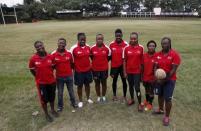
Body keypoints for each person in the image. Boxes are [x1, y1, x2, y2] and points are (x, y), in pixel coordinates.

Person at [153, 37, 181, 126]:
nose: (164, 45)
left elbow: (173, 70)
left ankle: (167, 116)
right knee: (160, 95)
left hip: (170, 80)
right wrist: (156, 75)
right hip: (159, 79)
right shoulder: (158, 54)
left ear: (169, 44)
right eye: (162, 43)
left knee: (167, 98)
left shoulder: (174, 55)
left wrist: (164, 80)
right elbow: (155, 66)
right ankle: (160, 109)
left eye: (165, 43)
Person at [29, 41, 58, 122]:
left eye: (41, 45)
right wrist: (38, 76)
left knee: (52, 97)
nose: (40, 47)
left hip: (51, 81)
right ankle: (46, 114)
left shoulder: (50, 56)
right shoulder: (33, 59)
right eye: (37, 47)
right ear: (35, 48)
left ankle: (52, 110)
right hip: (41, 83)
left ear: (43, 45)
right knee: (44, 100)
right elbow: (31, 70)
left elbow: (53, 67)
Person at [51, 38, 78, 112]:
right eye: (60, 43)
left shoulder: (69, 53)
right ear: (57, 44)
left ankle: (74, 103)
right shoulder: (53, 54)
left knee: (71, 91)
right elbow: (52, 67)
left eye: (63, 43)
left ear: (65, 44)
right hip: (59, 77)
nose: (61, 44)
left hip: (69, 76)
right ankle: (60, 106)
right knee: (60, 93)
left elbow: (72, 64)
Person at [70, 33, 93, 108]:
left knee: (87, 85)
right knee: (79, 86)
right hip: (78, 71)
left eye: (84, 39)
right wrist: (75, 69)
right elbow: (71, 61)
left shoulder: (88, 47)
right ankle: (80, 101)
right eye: (81, 39)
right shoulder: (73, 48)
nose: (83, 41)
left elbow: (90, 57)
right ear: (78, 39)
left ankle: (88, 98)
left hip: (88, 70)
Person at [123, 32, 144, 111]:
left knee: (137, 88)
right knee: (130, 87)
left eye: (134, 38)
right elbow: (124, 61)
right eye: (131, 38)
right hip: (129, 72)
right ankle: (132, 99)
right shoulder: (126, 48)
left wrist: (142, 74)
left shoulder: (141, 48)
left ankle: (139, 103)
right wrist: (125, 72)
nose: (133, 40)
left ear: (137, 39)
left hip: (137, 72)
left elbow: (142, 62)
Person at [91, 34, 111, 103]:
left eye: (101, 39)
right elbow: (92, 57)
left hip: (104, 69)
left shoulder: (107, 48)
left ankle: (104, 95)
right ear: (96, 40)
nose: (99, 40)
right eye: (98, 39)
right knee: (97, 83)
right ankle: (99, 96)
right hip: (95, 70)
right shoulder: (92, 48)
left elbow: (108, 57)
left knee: (104, 83)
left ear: (103, 40)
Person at [109, 29, 128, 102]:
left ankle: (125, 96)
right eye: (117, 36)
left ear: (122, 35)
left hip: (123, 67)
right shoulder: (111, 44)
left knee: (124, 81)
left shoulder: (126, 44)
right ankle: (114, 95)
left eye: (119, 36)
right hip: (114, 67)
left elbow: (127, 57)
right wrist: (111, 70)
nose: (118, 37)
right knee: (114, 81)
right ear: (115, 36)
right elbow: (110, 57)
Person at [141, 40, 157, 111]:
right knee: (146, 90)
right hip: (145, 76)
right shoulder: (144, 55)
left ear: (155, 47)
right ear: (147, 47)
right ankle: (147, 101)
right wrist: (141, 76)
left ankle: (150, 104)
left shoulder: (157, 56)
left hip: (152, 78)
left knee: (151, 91)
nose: (151, 47)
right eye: (150, 46)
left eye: (153, 46)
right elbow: (142, 66)